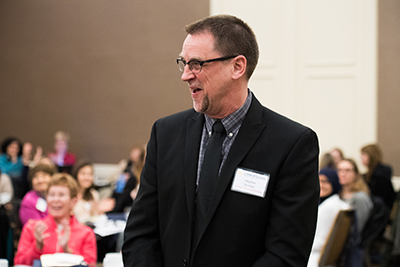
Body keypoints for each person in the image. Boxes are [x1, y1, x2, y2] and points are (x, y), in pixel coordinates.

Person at [122, 15, 320, 267]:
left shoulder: (291, 144)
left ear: (237, 67)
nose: (185, 75)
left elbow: (285, 255)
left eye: (196, 64)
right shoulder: (166, 133)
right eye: (183, 63)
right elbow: (140, 232)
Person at [14, 173, 97, 267]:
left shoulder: (86, 233)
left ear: (74, 201)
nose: (55, 199)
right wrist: (37, 247)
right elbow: (19, 263)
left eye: (61, 195)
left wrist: (67, 250)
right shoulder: (32, 228)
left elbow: (89, 265)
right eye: (51, 195)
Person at [308, 168, 349, 267]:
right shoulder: (333, 202)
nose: (321, 185)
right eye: (319, 181)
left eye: (325, 181)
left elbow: (321, 242)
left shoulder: (330, 206)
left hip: (315, 258)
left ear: (334, 183)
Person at [361, 144, 396, 211]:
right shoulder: (368, 174)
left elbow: (379, 196)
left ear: (371, 156)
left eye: (363, 155)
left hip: (381, 210)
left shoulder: (381, 173)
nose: (361, 158)